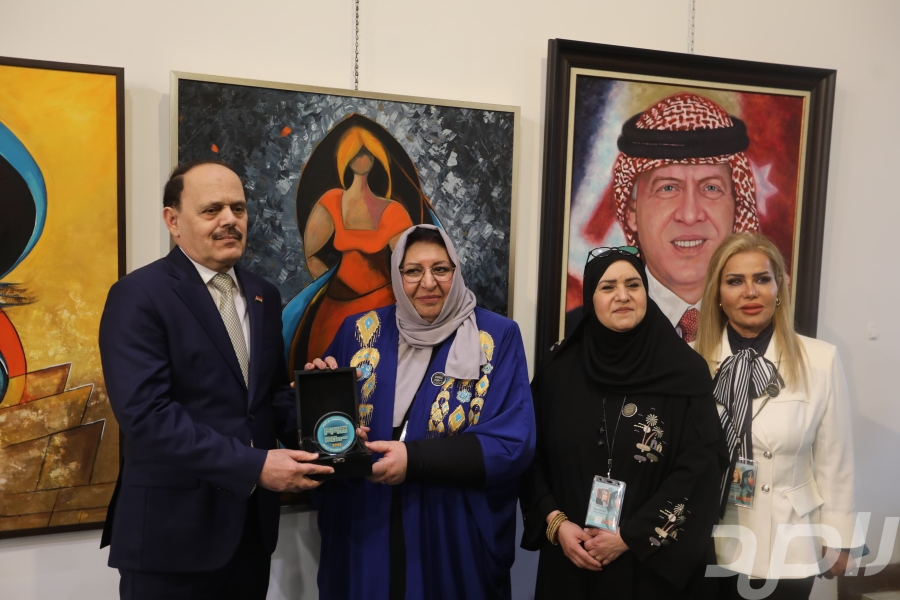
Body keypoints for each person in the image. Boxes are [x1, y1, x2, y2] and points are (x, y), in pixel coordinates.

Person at [98, 160, 333, 600]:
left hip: (251, 534)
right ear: (173, 221)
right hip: (171, 537)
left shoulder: (264, 295)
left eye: (238, 208)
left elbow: (266, 398)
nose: (230, 220)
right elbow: (147, 416)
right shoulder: (138, 296)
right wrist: (255, 466)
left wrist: (323, 424)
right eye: (212, 210)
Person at [307, 224, 535, 599]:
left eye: (440, 269)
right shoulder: (359, 332)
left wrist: (413, 459)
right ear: (397, 277)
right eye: (413, 271)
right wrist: (318, 393)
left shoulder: (496, 337)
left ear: (456, 271)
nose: (428, 283)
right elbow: (328, 431)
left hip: (451, 532)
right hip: (368, 523)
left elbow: (511, 441)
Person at [520, 246, 725, 598]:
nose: (623, 296)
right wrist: (557, 523)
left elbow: (701, 467)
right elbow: (528, 456)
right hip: (573, 559)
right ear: (590, 297)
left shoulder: (685, 371)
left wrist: (630, 536)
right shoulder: (558, 373)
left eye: (633, 284)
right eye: (608, 286)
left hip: (651, 566)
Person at [694, 232, 861, 599]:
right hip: (709, 534)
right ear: (717, 294)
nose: (750, 292)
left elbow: (835, 460)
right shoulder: (691, 361)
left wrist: (840, 538)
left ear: (779, 288)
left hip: (789, 539)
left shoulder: (820, 359)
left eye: (762, 279)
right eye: (735, 281)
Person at [284, 114, 438, 371]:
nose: (362, 158)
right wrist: (332, 286)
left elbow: (410, 262)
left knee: (381, 372)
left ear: (377, 157)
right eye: (356, 153)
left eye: (366, 152)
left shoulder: (393, 210)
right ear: (345, 158)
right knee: (327, 368)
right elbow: (312, 255)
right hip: (335, 306)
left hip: (384, 305)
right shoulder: (332, 201)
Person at [613, 93, 760, 342]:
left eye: (711, 188)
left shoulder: (770, 331)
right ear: (631, 213)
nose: (690, 215)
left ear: (737, 207)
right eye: (668, 188)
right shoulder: (589, 331)